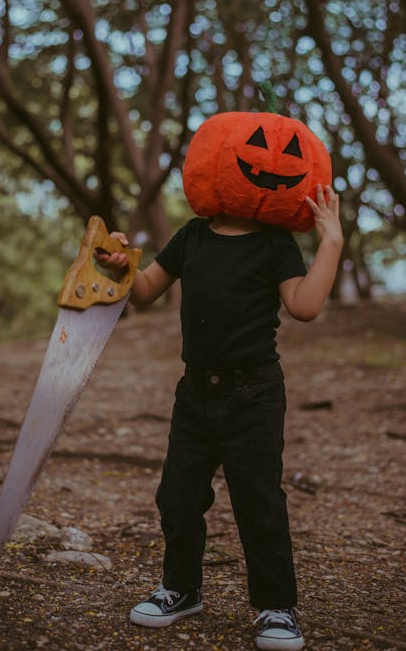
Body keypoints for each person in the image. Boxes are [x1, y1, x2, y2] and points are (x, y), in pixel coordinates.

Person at [95, 183, 343, 651]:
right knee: (177, 496)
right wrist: (123, 265)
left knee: (258, 501)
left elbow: (304, 306)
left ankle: (277, 606)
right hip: (195, 391)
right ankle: (182, 590)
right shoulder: (192, 235)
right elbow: (146, 290)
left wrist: (331, 240)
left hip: (254, 393)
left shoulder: (274, 242)